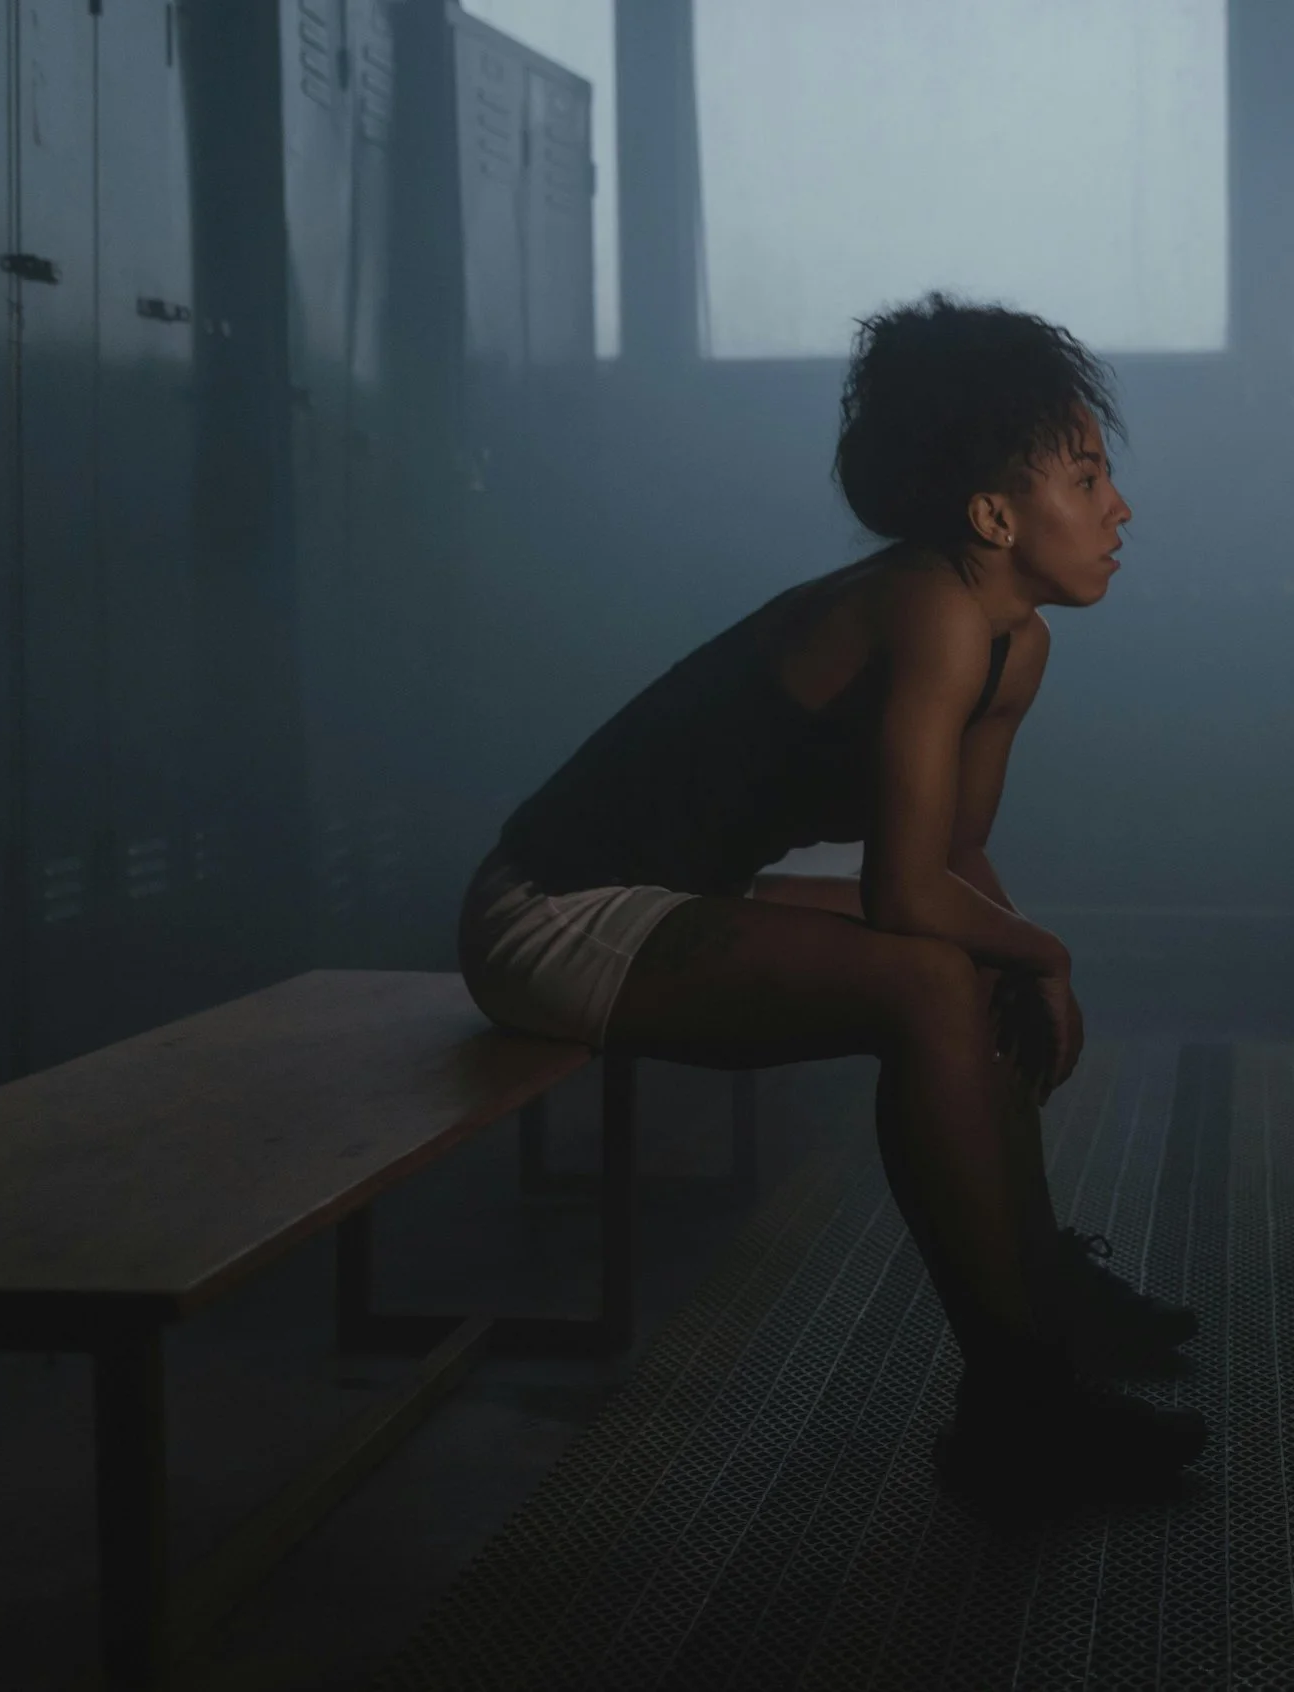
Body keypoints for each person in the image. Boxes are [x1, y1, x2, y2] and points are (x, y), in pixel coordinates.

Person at [457, 293, 1203, 1503]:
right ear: (992, 513)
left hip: (685, 890)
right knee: (929, 977)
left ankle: (1038, 1295)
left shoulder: (1016, 639)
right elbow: (908, 896)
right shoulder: (932, 612)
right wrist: (1046, 954)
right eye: (1086, 476)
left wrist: (1013, 957)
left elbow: (953, 860)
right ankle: (1017, 1408)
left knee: (967, 968)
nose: (1117, 508)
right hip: (553, 910)